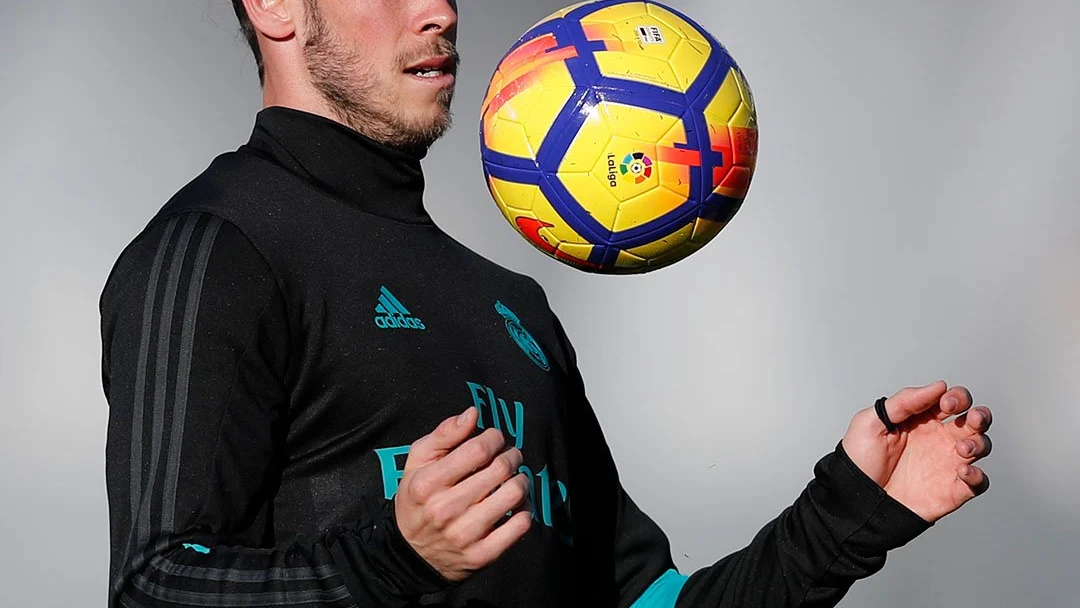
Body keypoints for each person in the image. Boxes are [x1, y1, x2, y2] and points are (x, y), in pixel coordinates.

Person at [99, 1, 994, 606]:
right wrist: (390, 559)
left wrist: (848, 515)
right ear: (275, 7)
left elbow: (647, 599)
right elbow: (156, 583)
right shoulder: (218, 246)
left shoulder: (510, 303)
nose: (442, 10)